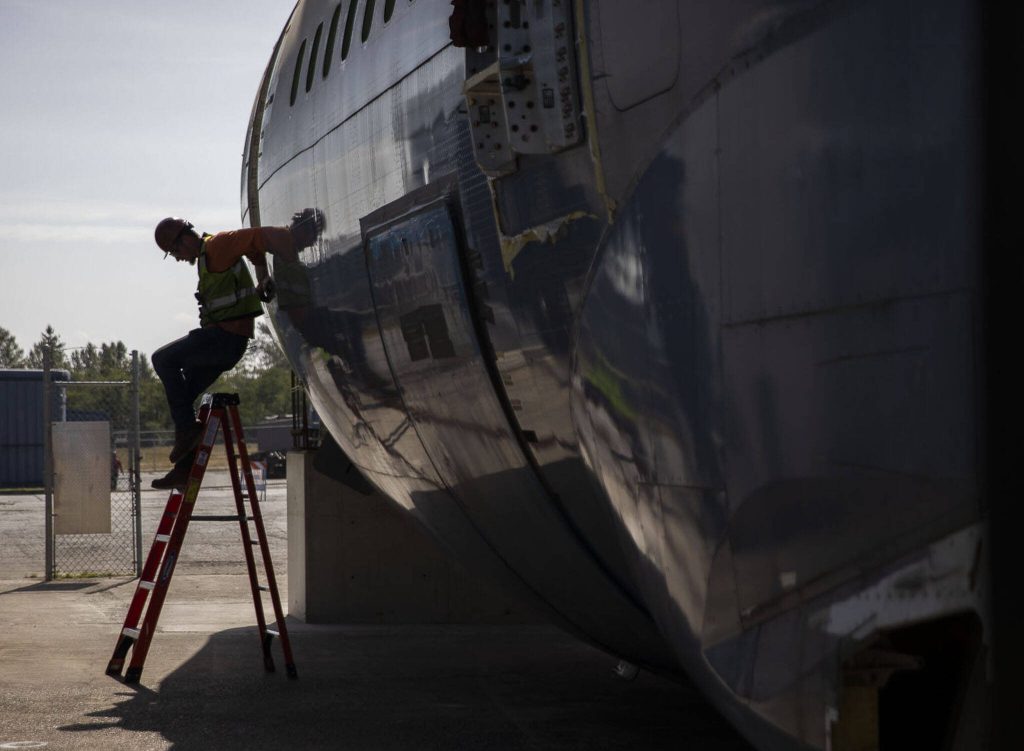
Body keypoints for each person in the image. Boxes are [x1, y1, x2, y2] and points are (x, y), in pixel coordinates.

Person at [149, 210, 322, 489]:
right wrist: (262, 276)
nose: (179, 258)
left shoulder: (217, 245)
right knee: (182, 394)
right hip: (223, 342)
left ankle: (186, 431)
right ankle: (185, 466)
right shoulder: (207, 257)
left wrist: (290, 247)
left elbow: (260, 237)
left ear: (184, 240)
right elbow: (253, 249)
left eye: (175, 251)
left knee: (162, 360)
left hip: (224, 339)